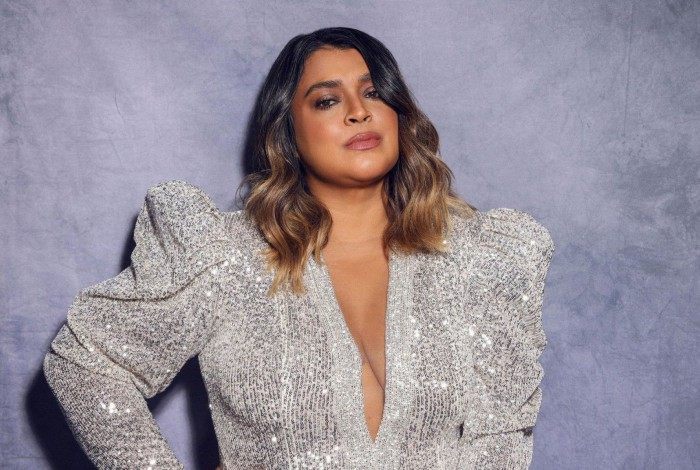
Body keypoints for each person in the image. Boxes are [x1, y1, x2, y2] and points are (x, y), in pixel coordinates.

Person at [43, 27, 556, 469]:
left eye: (374, 93)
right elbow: (88, 364)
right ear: (287, 131)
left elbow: (501, 438)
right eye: (327, 100)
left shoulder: (476, 258)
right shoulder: (225, 257)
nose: (359, 112)